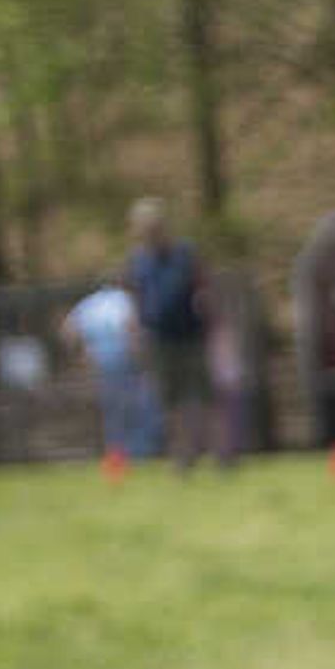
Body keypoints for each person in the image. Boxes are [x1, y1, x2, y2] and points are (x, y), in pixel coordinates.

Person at [123, 198, 219, 471]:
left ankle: (217, 452)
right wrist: (135, 333)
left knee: (203, 396)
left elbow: (205, 286)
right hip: (159, 339)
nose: (150, 231)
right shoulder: (138, 261)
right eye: (144, 228)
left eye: (154, 226)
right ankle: (182, 456)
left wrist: (208, 312)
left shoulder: (185, 253)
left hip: (191, 334)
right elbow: (134, 299)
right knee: (170, 401)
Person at [61, 276, 158, 461]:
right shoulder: (123, 300)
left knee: (111, 409)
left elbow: (67, 330)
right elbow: (131, 327)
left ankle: (115, 452)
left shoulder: (89, 303)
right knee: (132, 407)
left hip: (99, 364)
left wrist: (79, 355)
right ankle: (135, 452)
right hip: (123, 361)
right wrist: (141, 357)